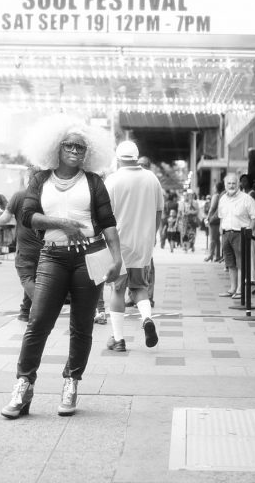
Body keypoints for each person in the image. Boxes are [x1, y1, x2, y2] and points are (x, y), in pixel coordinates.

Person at [1, 115, 122, 419]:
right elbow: (29, 216)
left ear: (89, 152)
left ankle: (71, 382)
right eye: (69, 145)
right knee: (38, 321)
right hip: (52, 255)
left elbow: (107, 223)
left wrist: (117, 258)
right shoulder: (40, 180)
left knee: (82, 326)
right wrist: (62, 223)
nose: (75, 151)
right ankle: (24, 385)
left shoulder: (94, 182)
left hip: (90, 257)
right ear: (56, 147)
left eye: (81, 147)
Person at [104, 140, 164, 352]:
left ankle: (118, 339)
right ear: (137, 156)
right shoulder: (151, 178)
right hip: (142, 244)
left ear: (119, 158)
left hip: (118, 244)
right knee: (139, 288)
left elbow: (104, 216)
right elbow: (159, 212)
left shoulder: (112, 181)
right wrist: (152, 235)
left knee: (118, 291)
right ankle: (147, 318)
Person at [0, 167, 42, 322]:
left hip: (25, 248)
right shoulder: (45, 195)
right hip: (43, 247)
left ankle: (42, 307)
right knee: (34, 278)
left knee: (27, 278)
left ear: (28, 178)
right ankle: (24, 312)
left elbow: (4, 219)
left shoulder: (19, 195)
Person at [218, 172, 255, 299]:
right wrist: (221, 232)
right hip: (226, 234)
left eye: (234, 183)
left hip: (240, 234)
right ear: (225, 185)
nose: (231, 186)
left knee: (241, 264)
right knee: (230, 263)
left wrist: (249, 232)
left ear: (238, 184)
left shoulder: (246, 198)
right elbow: (221, 217)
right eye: (229, 183)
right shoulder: (223, 199)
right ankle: (232, 289)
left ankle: (241, 290)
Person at [204, 181, 224, 262]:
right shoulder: (221, 196)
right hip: (218, 219)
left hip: (213, 219)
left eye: (214, 186)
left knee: (212, 238)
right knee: (217, 239)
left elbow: (212, 208)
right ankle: (217, 255)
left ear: (216, 188)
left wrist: (208, 217)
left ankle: (210, 255)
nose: (213, 188)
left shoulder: (216, 196)